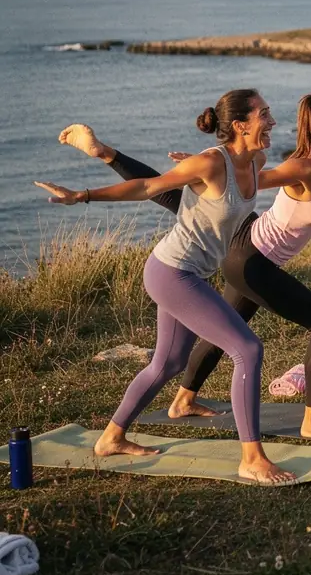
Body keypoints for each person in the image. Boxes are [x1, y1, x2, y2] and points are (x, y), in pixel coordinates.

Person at [56, 94, 311, 443]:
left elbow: (242, 179)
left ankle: (182, 400)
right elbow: (163, 185)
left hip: (243, 248)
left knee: (207, 337)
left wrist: (209, 172)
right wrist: (207, 168)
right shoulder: (305, 167)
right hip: (247, 260)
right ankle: (305, 424)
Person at [36, 89, 295, 485]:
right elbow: (147, 188)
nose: (273, 121)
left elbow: (212, 206)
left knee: (168, 363)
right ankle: (252, 458)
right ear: (240, 124)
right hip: (171, 272)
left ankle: (111, 438)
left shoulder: (257, 161)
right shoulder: (211, 162)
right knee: (247, 349)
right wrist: (82, 196)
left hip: (190, 273)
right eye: (265, 114)